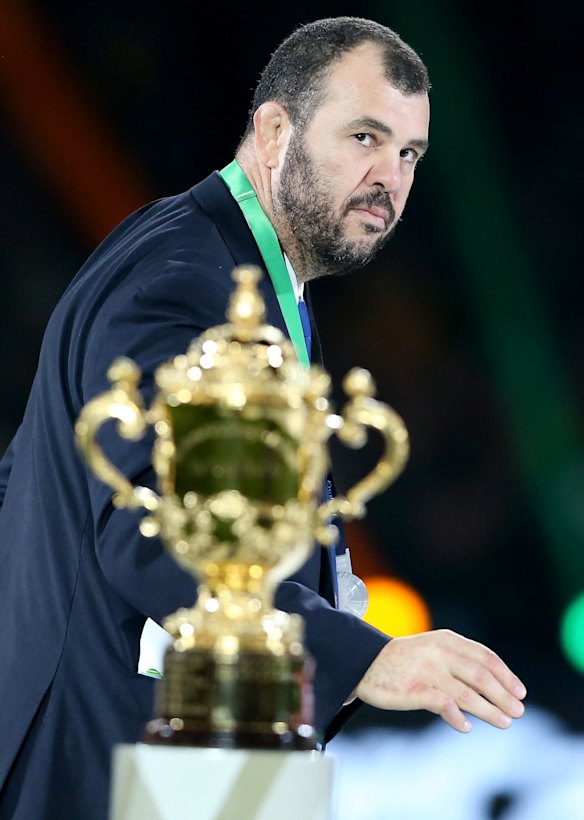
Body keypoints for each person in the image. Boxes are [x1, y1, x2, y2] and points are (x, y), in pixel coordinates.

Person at [0, 16, 526, 820]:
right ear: (276, 130)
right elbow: (152, 527)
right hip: (113, 765)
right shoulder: (186, 279)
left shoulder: (214, 258)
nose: (389, 177)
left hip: (178, 748)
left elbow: (31, 473)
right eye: (364, 137)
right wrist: (360, 659)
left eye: (410, 153)